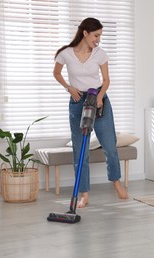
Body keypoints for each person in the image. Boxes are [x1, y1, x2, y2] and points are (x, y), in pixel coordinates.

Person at [53, 17, 128, 208]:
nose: (98, 39)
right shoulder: (66, 54)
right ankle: (84, 194)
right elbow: (56, 73)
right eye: (96, 35)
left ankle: (116, 183)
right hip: (78, 102)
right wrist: (69, 88)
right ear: (85, 33)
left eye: (100, 35)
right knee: (80, 151)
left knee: (109, 145)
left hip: (99, 99)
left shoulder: (100, 54)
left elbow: (106, 80)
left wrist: (101, 96)